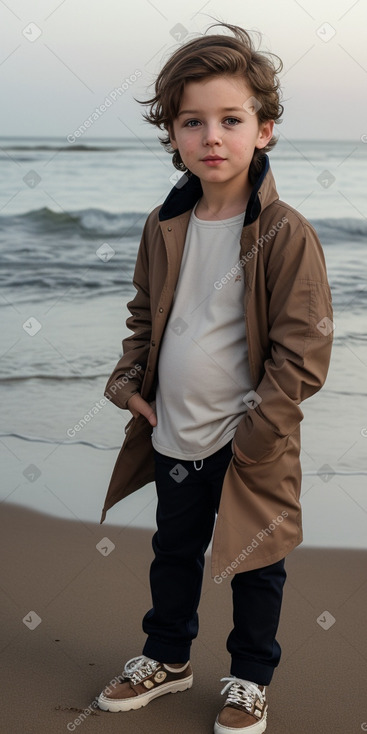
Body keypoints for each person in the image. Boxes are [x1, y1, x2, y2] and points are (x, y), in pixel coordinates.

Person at [97, 21, 333, 733]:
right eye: (191, 121)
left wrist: (261, 429)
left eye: (230, 120)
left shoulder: (284, 231)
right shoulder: (163, 222)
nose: (211, 137)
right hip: (174, 430)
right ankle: (167, 658)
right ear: (172, 134)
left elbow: (303, 350)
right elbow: (145, 314)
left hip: (251, 437)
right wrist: (128, 380)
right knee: (174, 550)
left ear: (262, 130)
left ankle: (249, 677)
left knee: (257, 565)